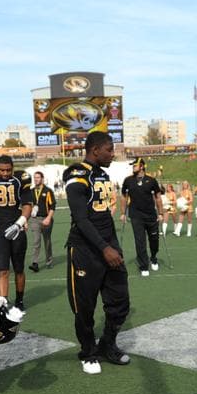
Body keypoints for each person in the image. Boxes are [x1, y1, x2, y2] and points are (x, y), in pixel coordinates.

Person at [64, 131, 130, 374]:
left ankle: (107, 344)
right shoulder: (76, 173)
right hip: (85, 250)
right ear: (95, 150)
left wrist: (112, 244)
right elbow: (81, 219)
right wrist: (105, 248)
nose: (113, 154)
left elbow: (103, 216)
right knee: (85, 308)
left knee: (120, 301)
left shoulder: (102, 173)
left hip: (108, 245)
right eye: (109, 150)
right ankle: (88, 351)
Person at [0, 155, 31, 311]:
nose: (5, 173)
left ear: (13, 167)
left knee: (19, 269)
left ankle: (19, 300)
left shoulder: (20, 179)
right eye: (2, 170)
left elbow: (27, 205)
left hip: (16, 229)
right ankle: (3, 302)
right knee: (2, 269)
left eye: (8, 170)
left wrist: (19, 224)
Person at [120, 158, 163, 276]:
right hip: (136, 216)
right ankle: (143, 265)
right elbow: (124, 197)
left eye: (135, 165)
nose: (133, 167)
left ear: (142, 166)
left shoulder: (151, 180)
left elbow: (158, 197)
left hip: (150, 215)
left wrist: (160, 213)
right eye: (132, 165)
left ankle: (153, 257)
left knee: (154, 239)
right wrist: (123, 213)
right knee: (140, 242)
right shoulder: (128, 180)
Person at [25, 170, 56, 272]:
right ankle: (35, 263)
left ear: (42, 179)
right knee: (36, 241)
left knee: (47, 241)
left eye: (38, 177)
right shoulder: (31, 191)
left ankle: (49, 261)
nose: (36, 179)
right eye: (35, 177)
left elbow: (52, 206)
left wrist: (48, 218)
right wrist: (25, 220)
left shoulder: (48, 191)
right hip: (35, 220)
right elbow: (28, 206)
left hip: (46, 219)